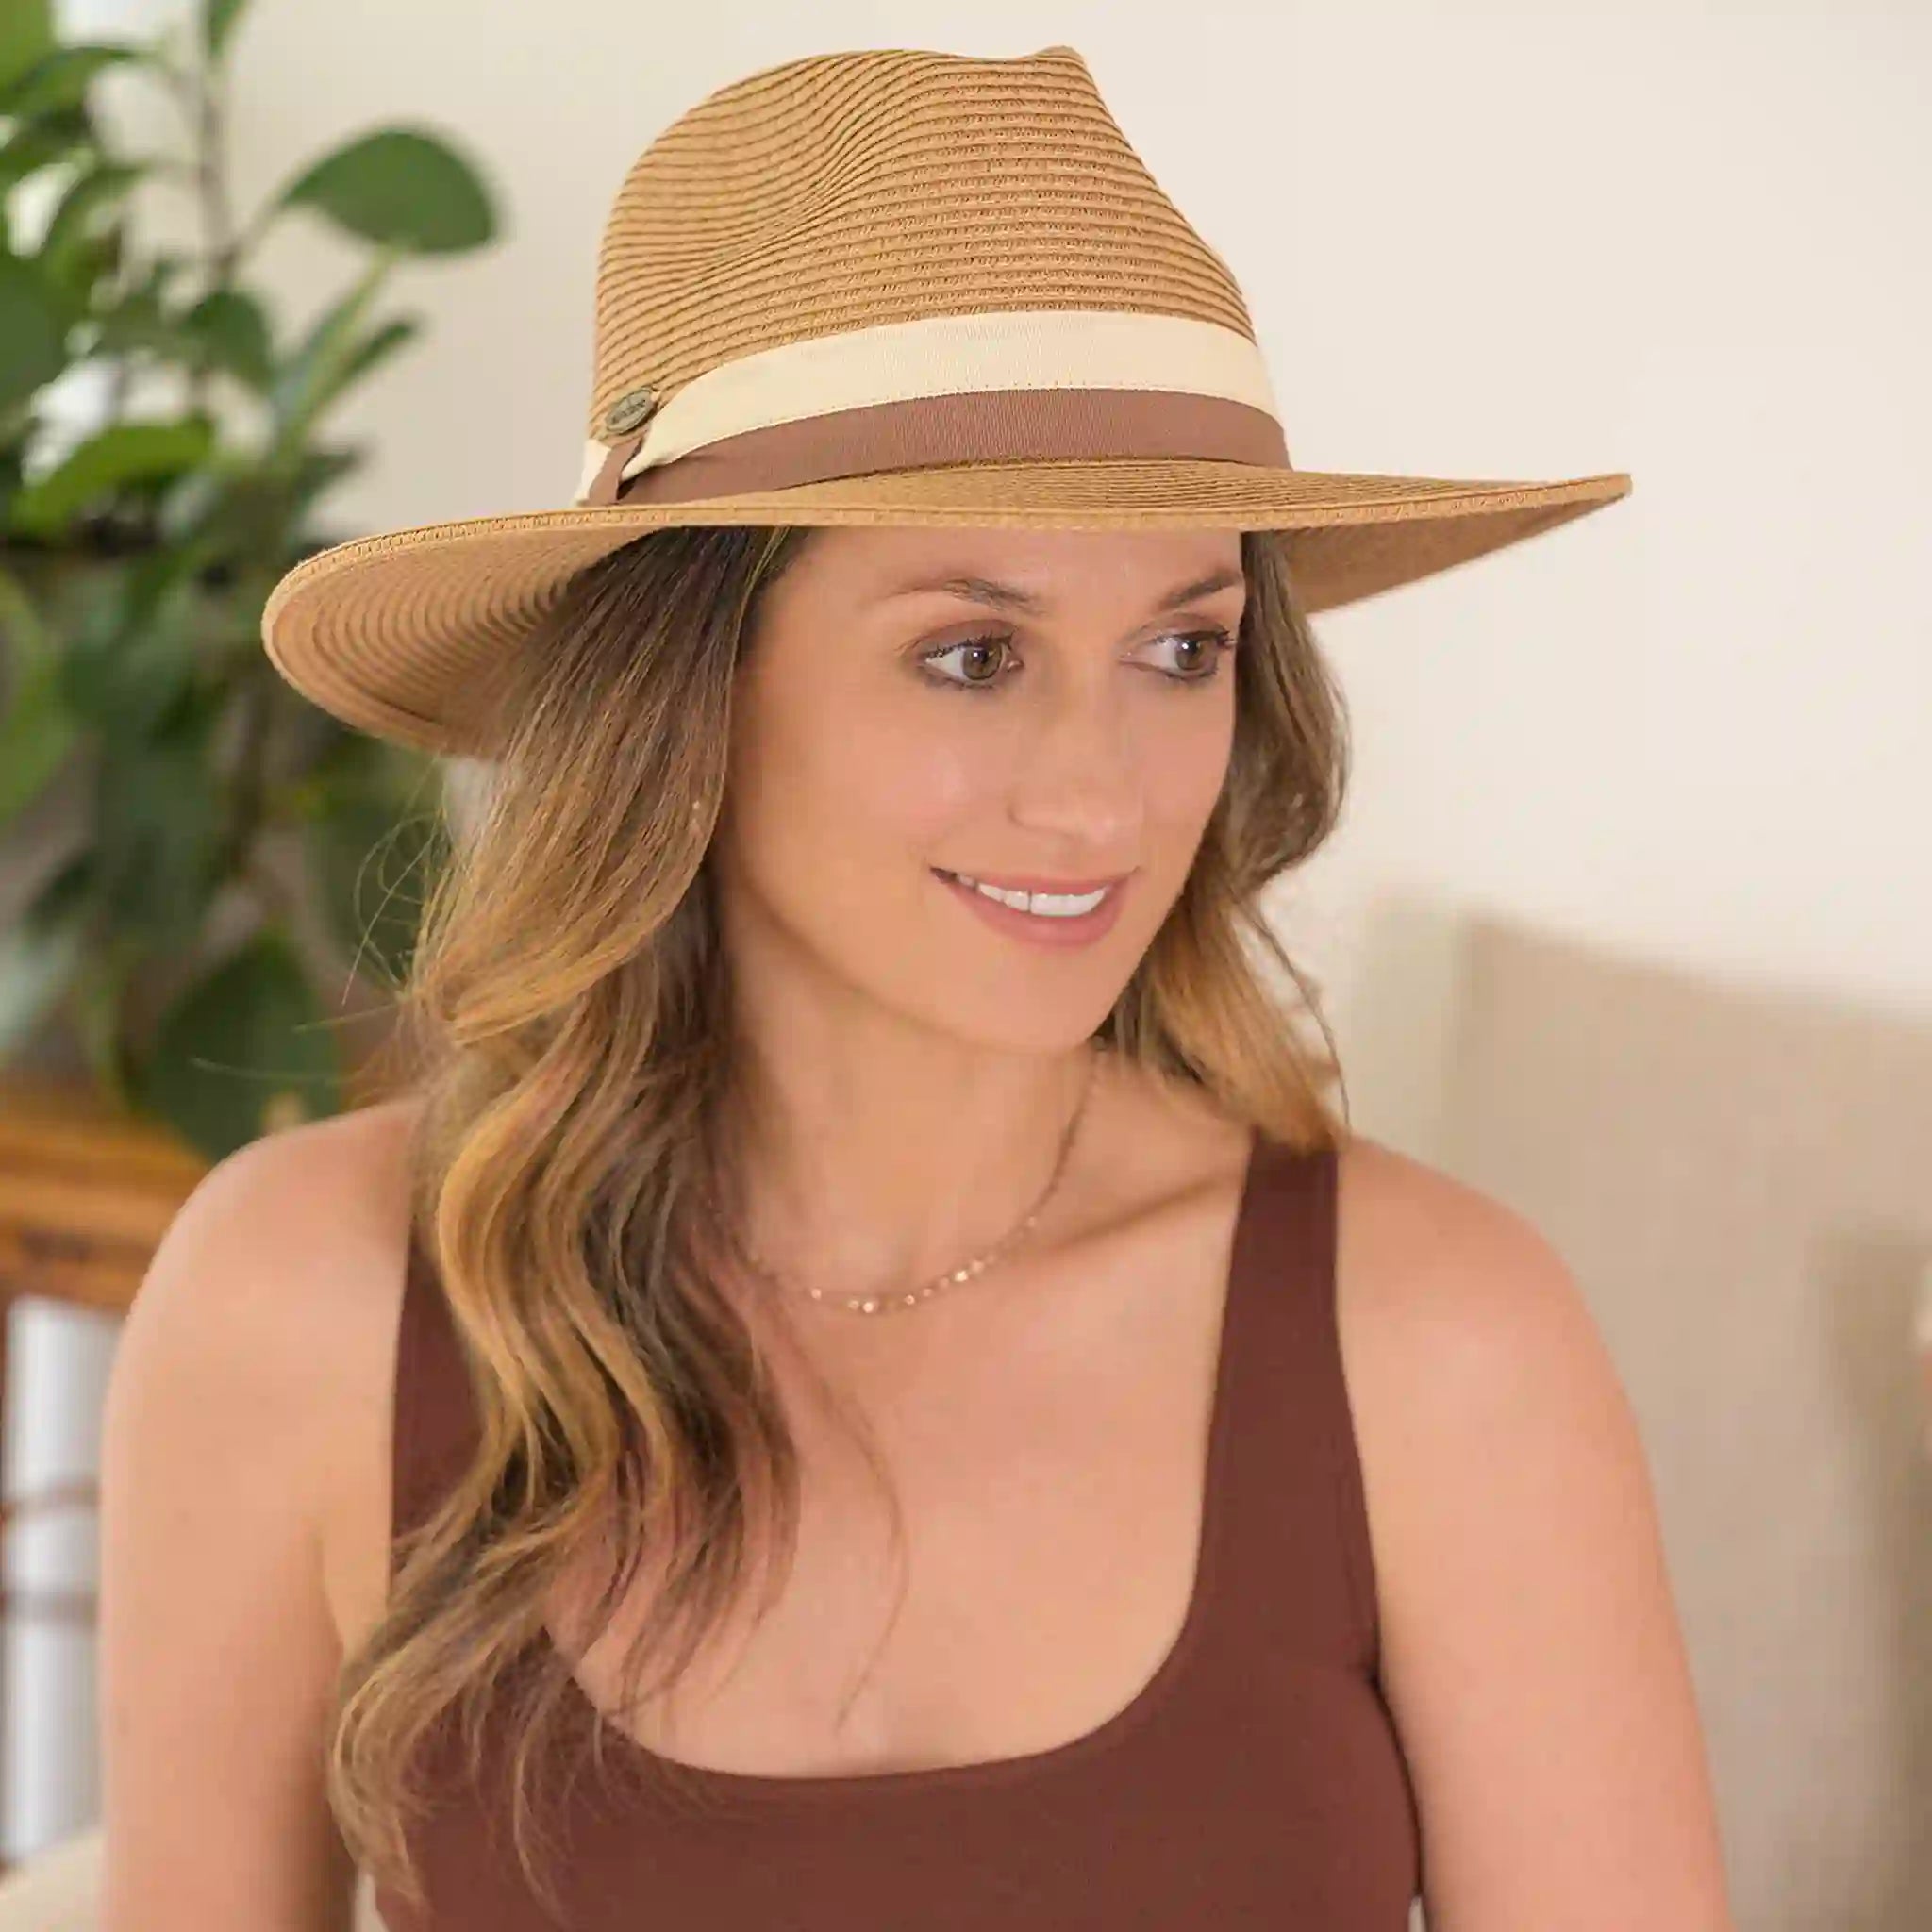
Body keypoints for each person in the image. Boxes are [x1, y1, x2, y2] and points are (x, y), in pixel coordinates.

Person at [97, 42, 1734, 1932]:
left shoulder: (1441, 1346)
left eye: (1180, 648)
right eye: (972, 652)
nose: (1099, 789)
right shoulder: (303, 1303)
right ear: (688, 691)